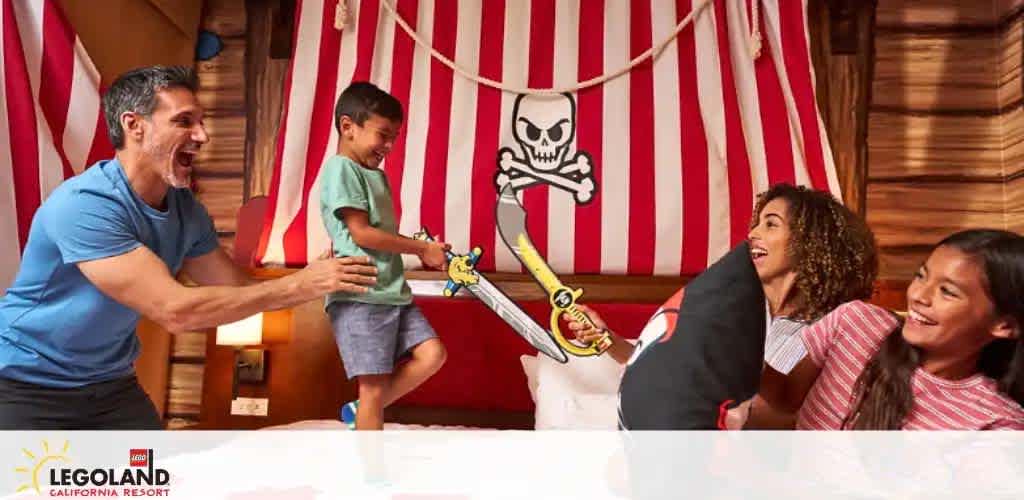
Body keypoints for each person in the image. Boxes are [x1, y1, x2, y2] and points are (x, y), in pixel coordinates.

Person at [0, 66, 378, 430]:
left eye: (201, 121)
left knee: (149, 487)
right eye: (184, 121)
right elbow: (173, 311)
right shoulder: (86, 205)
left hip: (110, 386)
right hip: (23, 381)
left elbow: (240, 292)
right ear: (134, 126)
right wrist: (302, 285)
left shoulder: (186, 211)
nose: (202, 135)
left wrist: (324, 280)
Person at [568, 183, 877, 427]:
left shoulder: (828, 332)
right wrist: (607, 340)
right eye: (757, 224)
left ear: (812, 241)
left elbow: (798, 418)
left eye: (771, 224)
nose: (753, 234)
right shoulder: (735, 312)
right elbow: (678, 363)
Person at [760, 229, 1024, 430]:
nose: (920, 295)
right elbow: (785, 398)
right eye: (921, 275)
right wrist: (738, 347)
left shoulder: (995, 424)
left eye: (947, 292)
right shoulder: (854, 323)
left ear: (1005, 325)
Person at [322, 82, 449, 431]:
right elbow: (361, 233)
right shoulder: (341, 170)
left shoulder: (371, 174)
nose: (389, 146)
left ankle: (358, 410)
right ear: (348, 127)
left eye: (394, 137)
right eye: (382, 135)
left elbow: (375, 235)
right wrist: (421, 248)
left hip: (391, 291)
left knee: (433, 354)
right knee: (373, 388)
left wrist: (423, 250)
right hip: (362, 295)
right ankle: (372, 477)